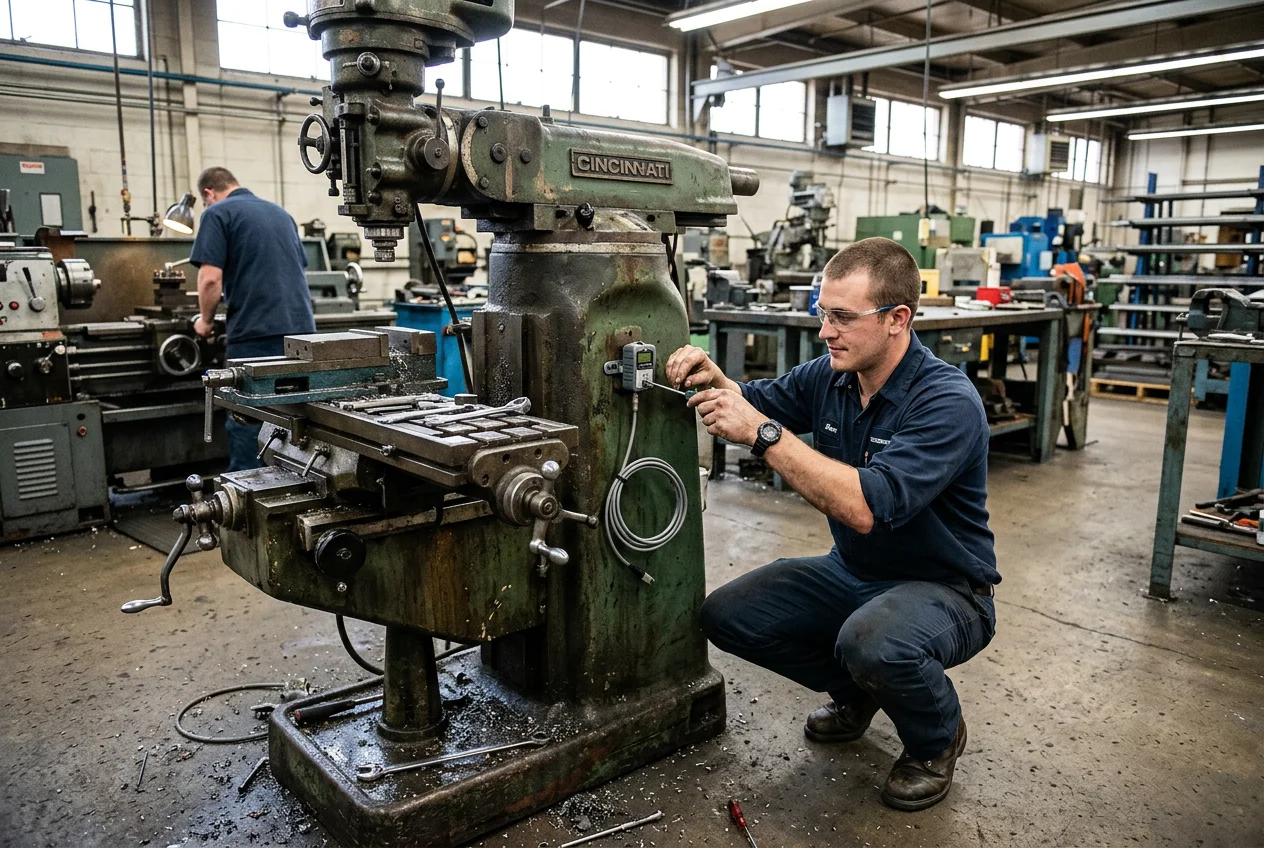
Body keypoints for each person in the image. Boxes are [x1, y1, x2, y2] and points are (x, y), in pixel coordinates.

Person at [666, 237, 997, 811]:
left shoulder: (947, 401)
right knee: (729, 615)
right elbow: (755, 400)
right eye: (823, 314)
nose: (826, 331)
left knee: (874, 642)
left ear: (898, 319)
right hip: (853, 572)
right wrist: (714, 379)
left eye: (842, 317)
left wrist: (763, 437)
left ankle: (936, 738)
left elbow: (868, 506)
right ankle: (857, 693)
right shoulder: (832, 375)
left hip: (945, 590)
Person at [188, 167, 316, 472]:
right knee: (295, 416)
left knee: (247, 417)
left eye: (205, 201)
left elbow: (209, 280)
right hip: (302, 336)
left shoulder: (216, 213)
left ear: (209, 194)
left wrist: (205, 321)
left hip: (255, 335)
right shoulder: (280, 214)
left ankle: (248, 498)